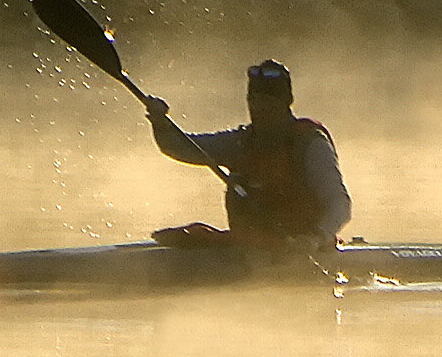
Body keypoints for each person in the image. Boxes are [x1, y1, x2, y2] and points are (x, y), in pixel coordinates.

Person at [139, 59, 351, 253]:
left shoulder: (309, 144)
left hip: (306, 249)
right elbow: (177, 146)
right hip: (251, 248)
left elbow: (340, 204)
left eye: (268, 103)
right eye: (254, 102)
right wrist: (160, 123)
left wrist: (315, 238)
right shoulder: (240, 143)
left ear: (286, 103)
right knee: (193, 234)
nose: (259, 109)